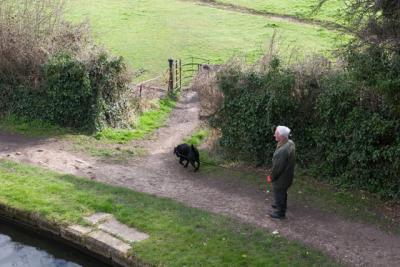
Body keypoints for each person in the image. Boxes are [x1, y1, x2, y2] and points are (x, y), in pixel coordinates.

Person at [268, 125, 296, 219]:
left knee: (279, 191)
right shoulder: (289, 143)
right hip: (288, 175)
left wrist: (271, 177)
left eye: (276, 134)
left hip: (282, 177)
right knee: (282, 192)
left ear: (282, 136)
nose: (274, 135)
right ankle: (279, 204)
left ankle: (280, 213)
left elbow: (277, 168)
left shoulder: (282, 151)